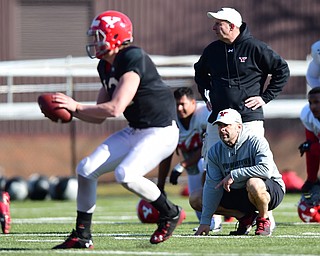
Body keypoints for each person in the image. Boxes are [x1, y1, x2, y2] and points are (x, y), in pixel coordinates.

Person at [52, 10, 185, 249]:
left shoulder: (132, 56)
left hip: (162, 130)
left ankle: (171, 212)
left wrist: (75, 105)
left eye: (99, 36)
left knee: (126, 174)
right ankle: (82, 235)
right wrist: (72, 112)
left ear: (114, 36)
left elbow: (115, 108)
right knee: (86, 168)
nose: (95, 42)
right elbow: (100, 115)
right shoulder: (105, 66)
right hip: (137, 130)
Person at [193, 7, 290, 230]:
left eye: (219, 23)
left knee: (257, 169)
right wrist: (207, 93)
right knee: (210, 166)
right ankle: (214, 221)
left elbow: (281, 70)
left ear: (232, 26)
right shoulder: (212, 50)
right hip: (218, 119)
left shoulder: (255, 47)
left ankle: (266, 218)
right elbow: (200, 72)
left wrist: (265, 98)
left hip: (248, 119)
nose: (214, 27)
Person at [192, 108, 285, 236]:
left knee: (254, 183)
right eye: (219, 125)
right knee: (196, 198)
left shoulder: (256, 141)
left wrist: (234, 174)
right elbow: (212, 186)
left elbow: (266, 170)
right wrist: (205, 221)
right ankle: (245, 217)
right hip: (238, 191)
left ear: (239, 127)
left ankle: (264, 219)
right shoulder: (214, 151)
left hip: (269, 189)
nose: (222, 129)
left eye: (226, 125)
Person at [157, 87, 222, 232]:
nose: (179, 108)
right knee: (195, 200)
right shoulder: (171, 121)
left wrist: (182, 165)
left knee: (202, 165)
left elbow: (208, 146)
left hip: (213, 160)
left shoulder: (204, 114)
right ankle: (210, 221)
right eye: (177, 104)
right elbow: (166, 153)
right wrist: (160, 186)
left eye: (183, 104)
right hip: (192, 166)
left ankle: (217, 219)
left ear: (193, 103)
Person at [299, 87, 320, 192]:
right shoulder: (307, 115)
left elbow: (313, 147)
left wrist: (311, 147)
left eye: (317, 102)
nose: (313, 107)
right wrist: (311, 179)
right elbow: (311, 145)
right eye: (310, 103)